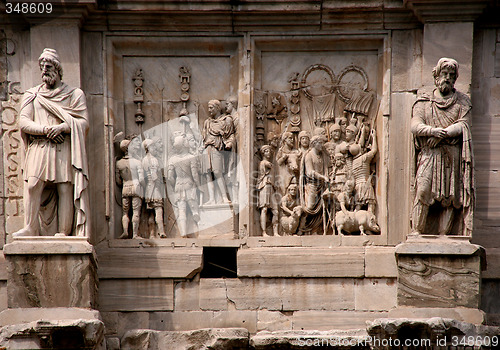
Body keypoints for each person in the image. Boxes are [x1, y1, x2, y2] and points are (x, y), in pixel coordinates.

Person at [14, 48, 89, 237]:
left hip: (62, 146)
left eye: (48, 66)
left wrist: (62, 127)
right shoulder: (33, 95)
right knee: (33, 186)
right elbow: (23, 122)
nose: (44, 70)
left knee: (64, 188)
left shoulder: (74, 94)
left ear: (57, 69)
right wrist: (46, 130)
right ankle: (31, 228)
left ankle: (64, 232)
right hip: (39, 145)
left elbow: (83, 122)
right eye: (42, 67)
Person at [411, 57, 474, 236]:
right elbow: (415, 125)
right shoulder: (424, 101)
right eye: (444, 74)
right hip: (429, 154)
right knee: (422, 190)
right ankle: (416, 231)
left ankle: (445, 236)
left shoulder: (462, 101)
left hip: (451, 154)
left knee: (450, 197)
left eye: (451, 75)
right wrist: (432, 131)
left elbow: (464, 124)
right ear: (436, 76)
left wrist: (442, 135)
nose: (447, 78)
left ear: (455, 78)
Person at [167, 134, 201, 237]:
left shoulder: (172, 159)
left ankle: (183, 233)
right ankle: (200, 230)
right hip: (189, 184)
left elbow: (170, 177)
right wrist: (199, 186)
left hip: (178, 185)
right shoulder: (191, 158)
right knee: (194, 209)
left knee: (181, 211)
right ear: (183, 145)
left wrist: (174, 186)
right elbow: (195, 175)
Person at [202, 99, 235, 204]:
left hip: (218, 148)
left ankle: (224, 197)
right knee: (208, 174)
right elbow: (203, 137)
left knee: (217, 172)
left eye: (211, 108)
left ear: (217, 108)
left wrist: (229, 143)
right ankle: (211, 198)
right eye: (208, 108)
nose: (209, 110)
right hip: (207, 148)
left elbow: (231, 136)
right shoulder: (207, 122)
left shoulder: (226, 120)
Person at [299, 134, 329, 234]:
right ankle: (300, 228)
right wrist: (323, 177)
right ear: (314, 144)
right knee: (309, 207)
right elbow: (310, 172)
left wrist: (326, 177)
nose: (322, 145)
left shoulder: (322, 156)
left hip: (321, 185)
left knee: (322, 209)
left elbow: (325, 169)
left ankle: (315, 230)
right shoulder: (309, 156)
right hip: (312, 185)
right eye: (320, 143)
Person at [116, 137, 144, 239]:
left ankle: (125, 231)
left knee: (125, 212)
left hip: (125, 187)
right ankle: (135, 234)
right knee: (136, 212)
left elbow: (118, 181)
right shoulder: (137, 162)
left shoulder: (118, 163)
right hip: (136, 187)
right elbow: (141, 179)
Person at [142, 137, 166, 238]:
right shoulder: (153, 160)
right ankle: (162, 232)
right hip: (155, 188)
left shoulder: (144, 160)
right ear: (148, 148)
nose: (155, 148)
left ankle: (152, 234)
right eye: (153, 147)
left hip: (148, 188)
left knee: (151, 213)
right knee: (158, 210)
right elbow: (155, 176)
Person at [257, 145, 279, 236]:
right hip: (264, 186)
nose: (268, 153)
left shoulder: (270, 164)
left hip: (271, 187)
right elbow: (268, 164)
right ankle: (264, 232)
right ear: (263, 153)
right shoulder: (263, 163)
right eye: (266, 151)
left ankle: (275, 232)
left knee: (276, 211)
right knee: (264, 209)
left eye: (269, 151)